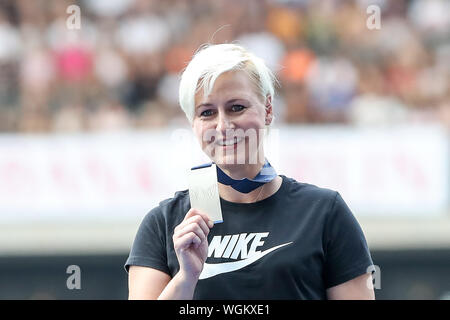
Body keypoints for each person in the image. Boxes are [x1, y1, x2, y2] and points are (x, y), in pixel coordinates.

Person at [125, 43, 375, 300]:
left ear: (268, 109)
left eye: (237, 107)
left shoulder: (324, 212)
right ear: (193, 124)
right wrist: (186, 278)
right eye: (207, 112)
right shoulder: (164, 223)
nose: (223, 126)